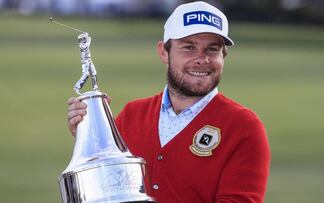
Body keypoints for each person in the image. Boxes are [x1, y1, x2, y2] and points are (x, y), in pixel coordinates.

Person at [67, 1, 270, 202]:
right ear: (164, 52)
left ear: (223, 56)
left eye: (212, 49)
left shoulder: (244, 127)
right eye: (189, 47)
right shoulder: (132, 115)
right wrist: (92, 139)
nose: (202, 59)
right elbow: (108, 190)